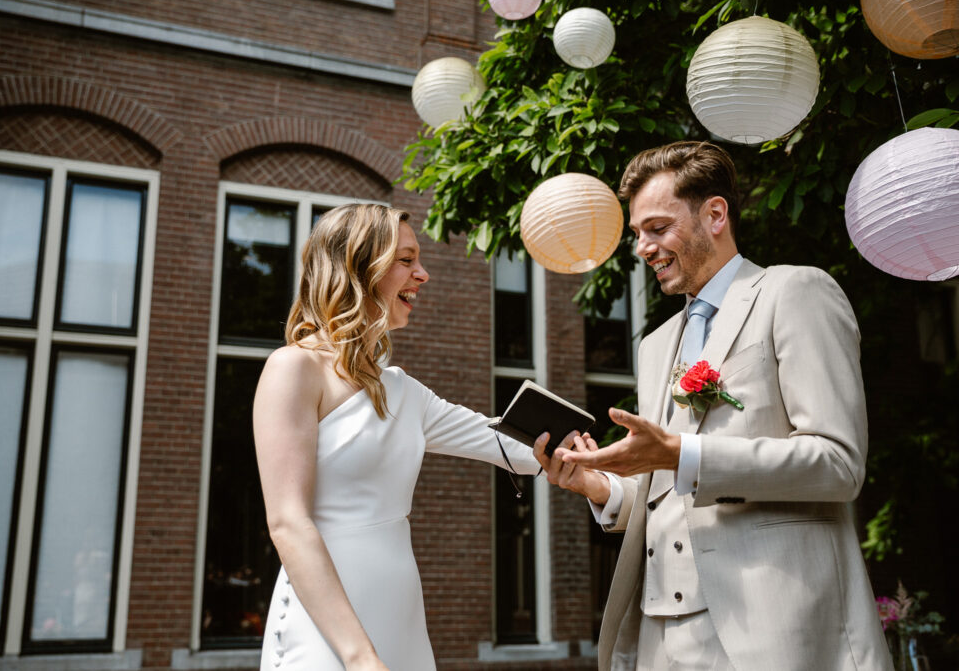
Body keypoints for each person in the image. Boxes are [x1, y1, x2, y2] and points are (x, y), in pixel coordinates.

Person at [535, 141, 892, 670]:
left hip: (772, 628)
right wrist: (599, 486)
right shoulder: (655, 345)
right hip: (661, 641)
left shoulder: (794, 291)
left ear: (715, 214)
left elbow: (838, 464)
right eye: (637, 234)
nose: (643, 247)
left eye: (657, 228)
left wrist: (683, 454)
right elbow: (668, 497)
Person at [253, 203, 541, 671]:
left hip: (401, 618)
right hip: (327, 631)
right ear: (357, 267)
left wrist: (597, 453)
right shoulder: (294, 369)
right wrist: (360, 657)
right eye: (406, 260)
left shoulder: (404, 391)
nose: (423, 274)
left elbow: (509, 445)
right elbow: (288, 523)